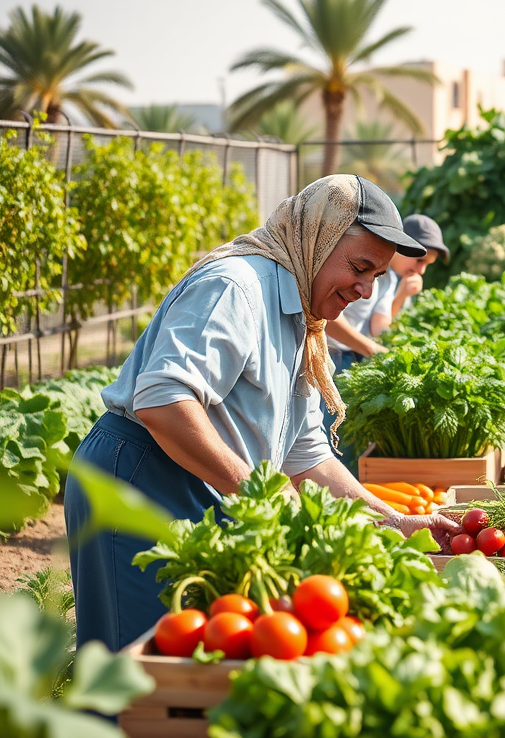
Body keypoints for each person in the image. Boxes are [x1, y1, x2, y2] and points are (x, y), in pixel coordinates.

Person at [64, 175, 461, 655]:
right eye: (358, 267)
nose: (363, 288)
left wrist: (398, 522)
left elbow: (307, 457)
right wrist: (259, 493)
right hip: (140, 475)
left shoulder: (301, 320)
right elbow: (163, 400)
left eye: (376, 276)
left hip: (199, 477)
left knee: (191, 666)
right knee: (137, 673)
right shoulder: (236, 286)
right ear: (318, 236)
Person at [322, 214, 448, 471]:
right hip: (329, 356)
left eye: (427, 264)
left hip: (351, 359)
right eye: (419, 259)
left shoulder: (389, 278)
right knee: (326, 442)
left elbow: (379, 327)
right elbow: (327, 317)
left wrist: (401, 295)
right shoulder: (364, 265)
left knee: (345, 443)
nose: (421, 270)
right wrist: (370, 349)